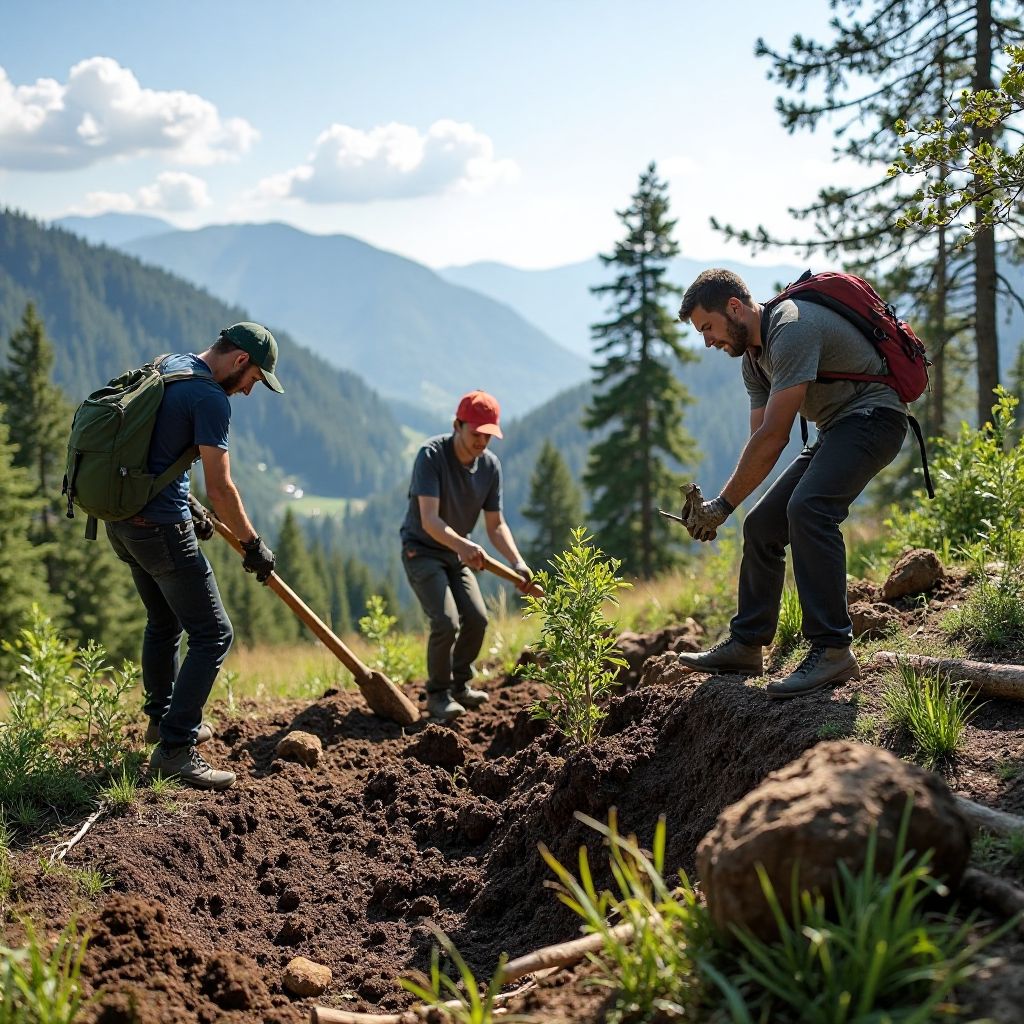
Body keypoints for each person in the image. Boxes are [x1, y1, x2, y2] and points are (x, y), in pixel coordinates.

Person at [675, 269, 907, 698]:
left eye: (707, 327)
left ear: (734, 307)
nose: (707, 341)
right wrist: (723, 506)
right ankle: (747, 645)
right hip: (836, 430)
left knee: (809, 509)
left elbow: (775, 437)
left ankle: (833, 649)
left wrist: (720, 507)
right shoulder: (753, 361)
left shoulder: (791, 327)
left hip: (875, 418)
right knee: (763, 525)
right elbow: (760, 443)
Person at [106, 323, 283, 789]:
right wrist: (253, 544)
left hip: (121, 521)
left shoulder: (170, 366)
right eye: (254, 379)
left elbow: (154, 452)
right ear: (240, 360)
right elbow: (221, 488)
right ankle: (176, 748)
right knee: (213, 634)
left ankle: (160, 722)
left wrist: (191, 505)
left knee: (164, 621)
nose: (249, 391)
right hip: (161, 530)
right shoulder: (210, 398)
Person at [400, 390, 532, 722]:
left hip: (457, 554)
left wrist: (517, 562)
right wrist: (463, 546)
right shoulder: (431, 456)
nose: (482, 442)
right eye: (476, 433)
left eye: (489, 435)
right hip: (422, 551)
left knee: (477, 619)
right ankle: (438, 694)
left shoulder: (489, 467)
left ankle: (459, 686)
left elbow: (496, 525)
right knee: (446, 622)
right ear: (457, 425)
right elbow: (429, 520)